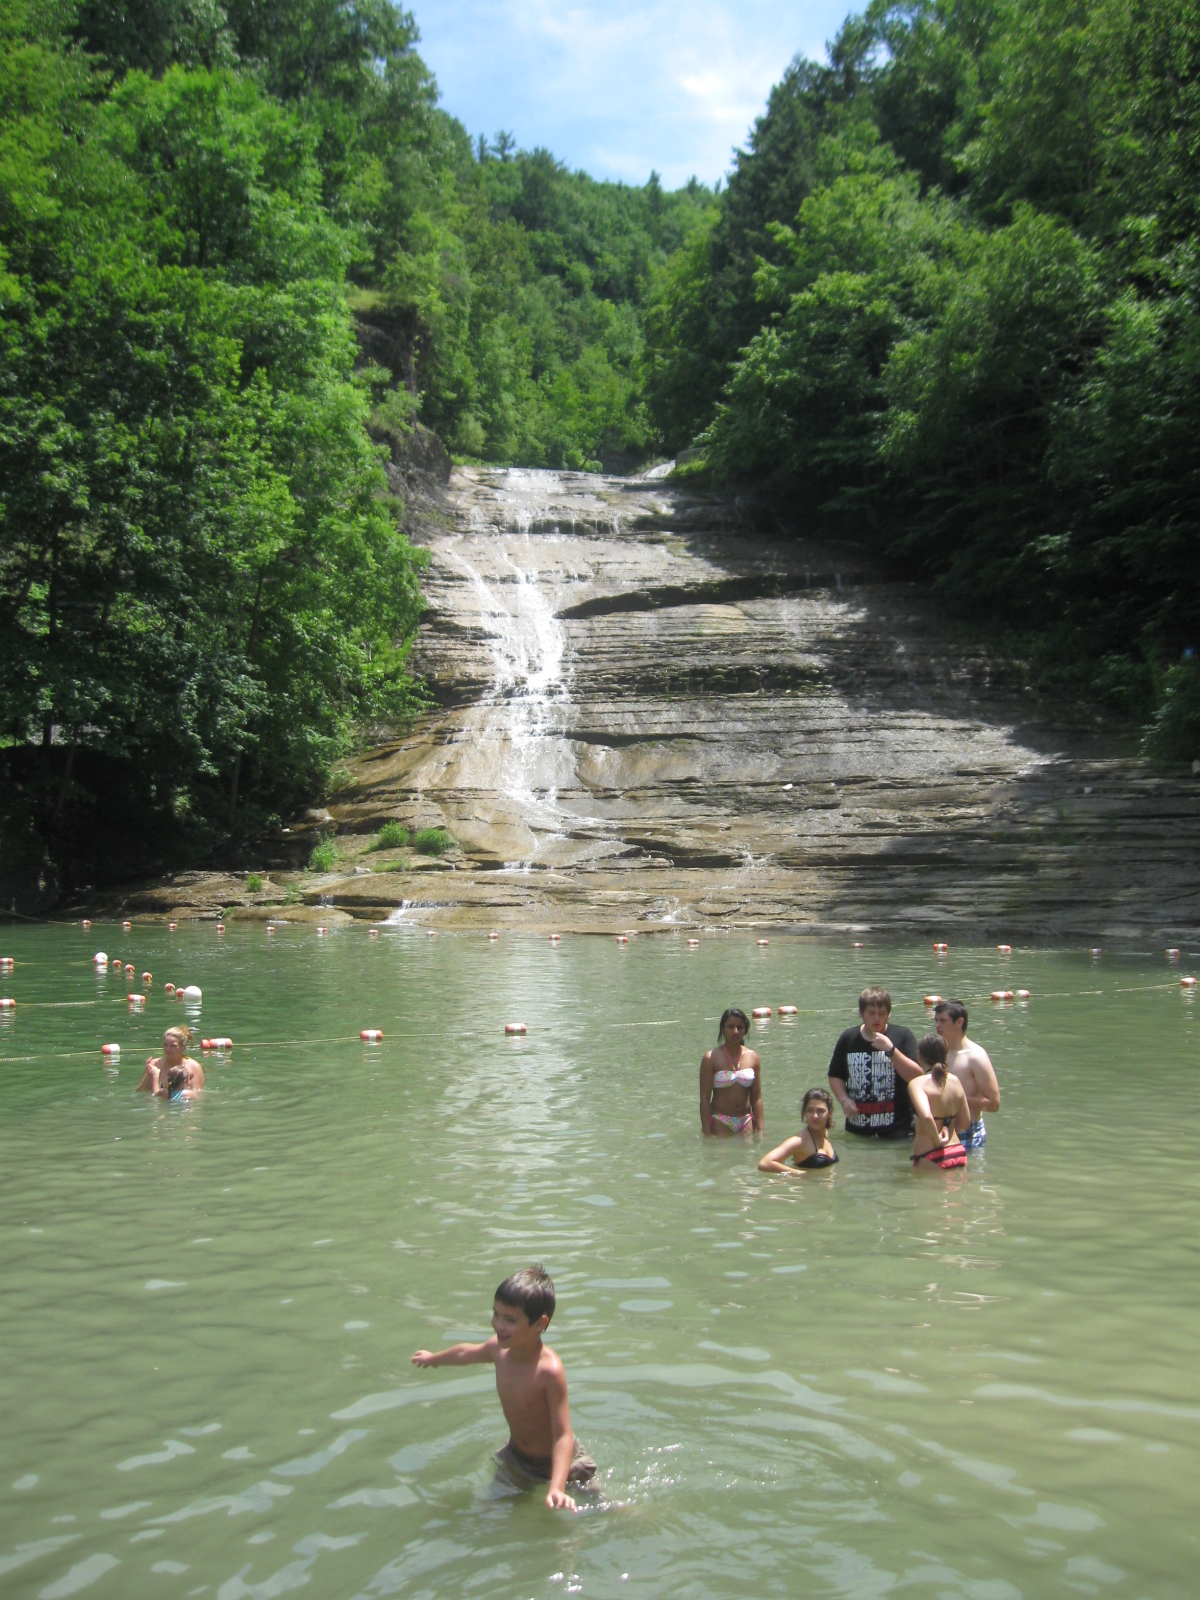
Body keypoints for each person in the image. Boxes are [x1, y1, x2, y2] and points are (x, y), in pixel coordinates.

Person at [411, 1265, 595, 1512]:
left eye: (510, 1320)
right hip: (517, 1457)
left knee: (598, 1505)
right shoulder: (499, 1350)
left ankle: (629, 1514)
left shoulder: (549, 1371)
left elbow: (562, 1435)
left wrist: (557, 1486)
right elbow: (466, 1352)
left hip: (563, 1463)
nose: (498, 1325)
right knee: (493, 1510)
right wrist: (434, 1359)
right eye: (496, 1314)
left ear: (540, 1324)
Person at [827, 987, 920, 1140]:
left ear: (889, 1014)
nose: (877, 1019)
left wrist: (891, 1050)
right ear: (860, 1013)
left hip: (897, 1130)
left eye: (882, 1014)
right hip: (857, 1129)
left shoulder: (903, 1036)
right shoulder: (848, 1038)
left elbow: (917, 1076)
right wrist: (844, 1100)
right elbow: (835, 1075)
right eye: (871, 1013)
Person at [934, 1000, 1000, 1149]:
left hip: (967, 1131)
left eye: (943, 1021)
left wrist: (957, 1100)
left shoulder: (975, 1057)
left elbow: (993, 1104)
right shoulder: (936, 1052)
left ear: (959, 1022)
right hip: (938, 1129)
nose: (938, 1025)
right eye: (936, 1020)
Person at [907, 1034, 971, 1169]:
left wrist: (938, 1142)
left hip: (931, 1154)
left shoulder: (917, 1083)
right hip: (957, 1151)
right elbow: (965, 1121)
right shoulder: (955, 1081)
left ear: (919, 1055)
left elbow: (925, 1116)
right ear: (945, 1056)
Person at [700, 1007, 764, 1135]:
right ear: (722, 1029)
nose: (735, 1031)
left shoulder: (753, 1057)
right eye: (730, 1026)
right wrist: (707, 1132)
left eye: (740, 1027)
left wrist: (761, 1129)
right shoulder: (711, 1058)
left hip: (746, 1120)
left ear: (745, 1030)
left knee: (750, 1155)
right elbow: (705, 1098)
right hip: (720, 1120)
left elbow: (756, 1097)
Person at [758, 1088, 839, 1173]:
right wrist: (799, 1174)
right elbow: (764, 1163)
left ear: (830, 1113)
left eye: (820, 1111)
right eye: (810, 1111)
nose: (815, 1116)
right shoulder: (799, 1141)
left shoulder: (825, 1133)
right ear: (804, 1113)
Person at [137, 1026, 204, 1099]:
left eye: (173, 1046)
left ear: (183, 1046)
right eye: (165, 1045)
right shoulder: (155, 1064)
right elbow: (140, 1093)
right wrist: (149, 1074)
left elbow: (197, 1097)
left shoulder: (194, 1067)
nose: (168, 1049)